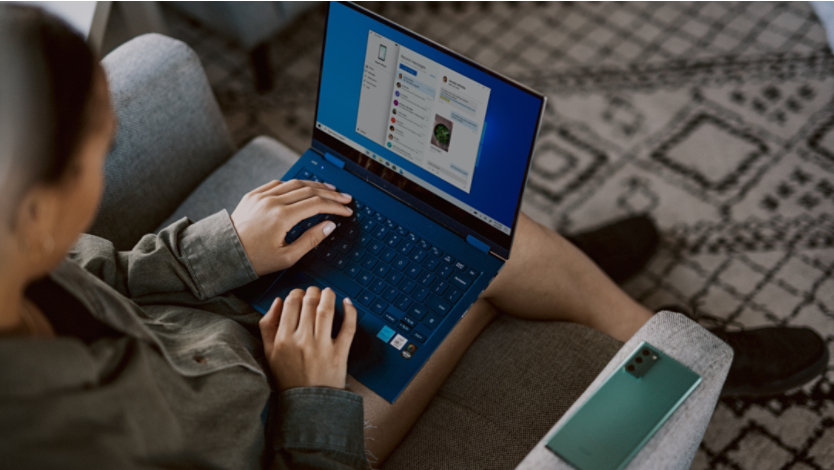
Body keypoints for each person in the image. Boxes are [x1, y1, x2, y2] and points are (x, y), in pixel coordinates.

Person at [0, 5, 827, 469]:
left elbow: (107, 271)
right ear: (37, 209)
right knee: (459, 255)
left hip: (232, 327)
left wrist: (228, 247)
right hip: (288, 430)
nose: (104, 162)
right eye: (93, 152)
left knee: (430, 224)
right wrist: (308, 396)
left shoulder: (20, 258)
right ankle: (650, 342)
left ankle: (579, 295)